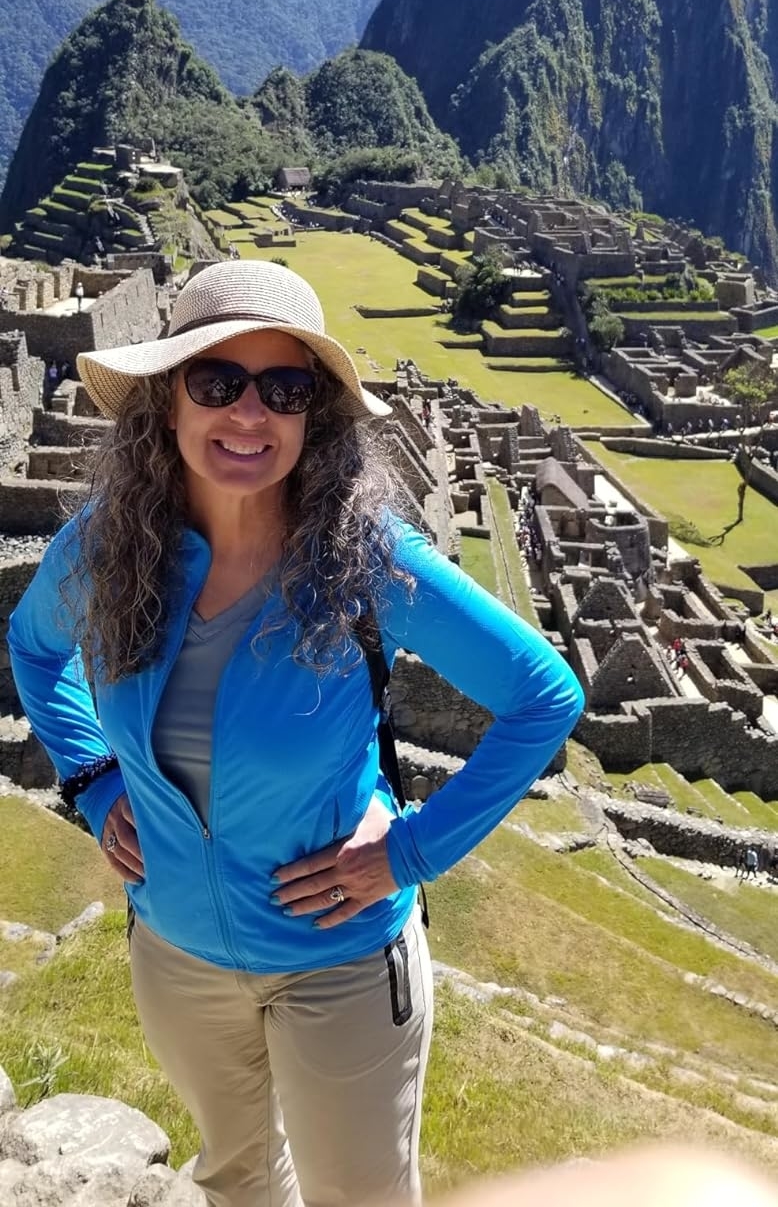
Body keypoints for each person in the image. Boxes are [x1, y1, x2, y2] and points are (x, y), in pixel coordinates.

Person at [8, 260, 583, 1207]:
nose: (248, 415)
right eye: (217, 382)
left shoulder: (364, 560)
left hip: (341, 965)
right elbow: (36, 654)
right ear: (167, 401)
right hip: (176, 954)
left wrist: (412, 852)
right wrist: (95, 780)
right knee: (236, 1179)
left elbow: (543, 695)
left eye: (285, 389)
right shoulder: (107, 549)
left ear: (316, 415)